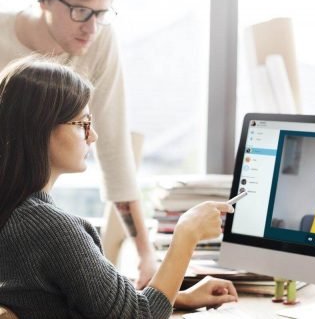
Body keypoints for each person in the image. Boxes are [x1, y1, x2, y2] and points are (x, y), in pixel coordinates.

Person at [0, 56, 238, 318]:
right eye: (83, 124)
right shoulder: (52, 230)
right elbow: (138, 316)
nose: (93, 136)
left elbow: (67, 302)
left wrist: (176, 297)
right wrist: (186, 234)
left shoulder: (15, 213)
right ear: (40, 129)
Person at [0, 0, 157, 289]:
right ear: (45, 0)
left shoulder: (99, 38)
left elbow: (113, 147)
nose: (92, 28)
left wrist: (145, 254)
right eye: (80, 12)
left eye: (102, 14)